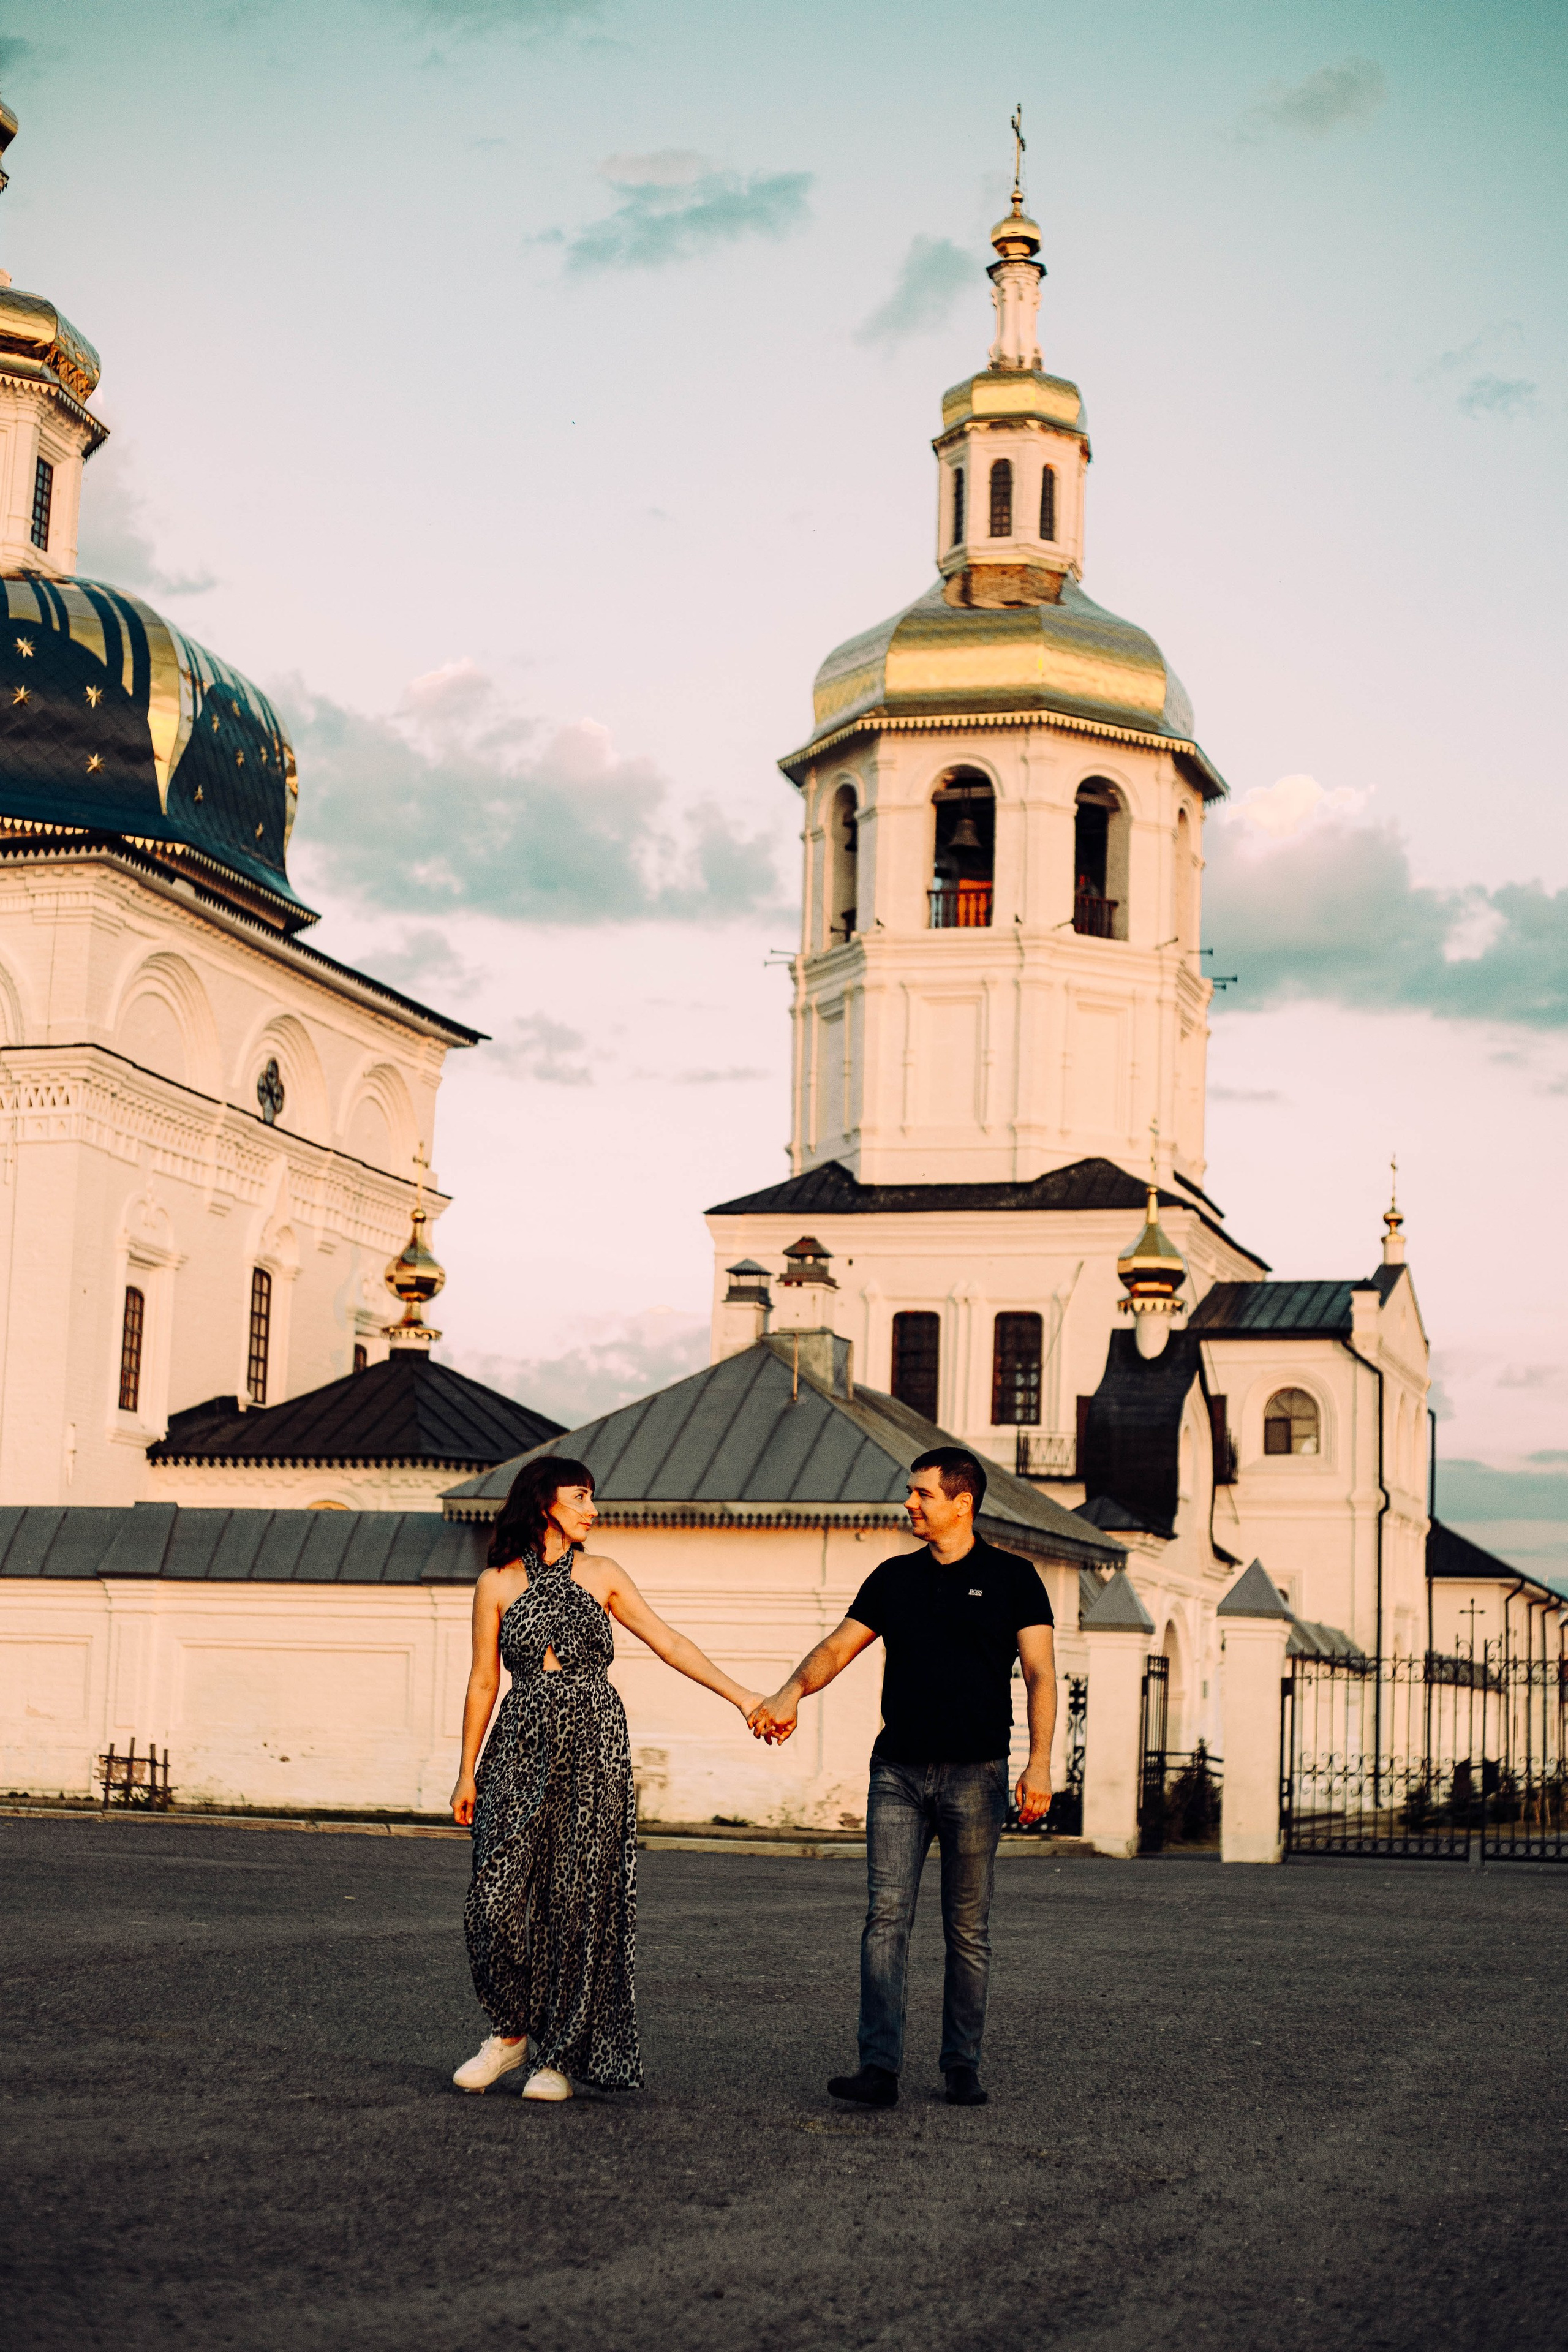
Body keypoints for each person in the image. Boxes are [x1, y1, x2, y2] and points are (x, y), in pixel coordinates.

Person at [748, 1447, 1056, 2109]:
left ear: (962, 1503)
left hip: (977, 1774)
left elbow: (1039, 1673)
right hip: (897, 1774)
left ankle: (961, 2066)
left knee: (966, 1929)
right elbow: (838, 1646)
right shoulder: (893, 1577)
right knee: (885, 1919)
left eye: (922, 1493)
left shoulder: (1014, 1578)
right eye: (910, 1492)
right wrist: (791, 1691)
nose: (909, 1503)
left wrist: (1039, 1762)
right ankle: (878, 2069)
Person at [450, 1455, 763, 2103]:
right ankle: (510, 2033)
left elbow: (669, 1643)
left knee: (577, 1903)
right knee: (493, 1900)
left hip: (594, 1745)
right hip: (517, 1743)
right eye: (581, 1497)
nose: (593, 1510)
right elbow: (483, 1680)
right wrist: (466, 1772)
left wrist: (744, 1698)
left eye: (593, 1498)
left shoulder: (604, 1574)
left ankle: (557, 2057)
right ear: (544, 1502)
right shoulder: (496, 1583)